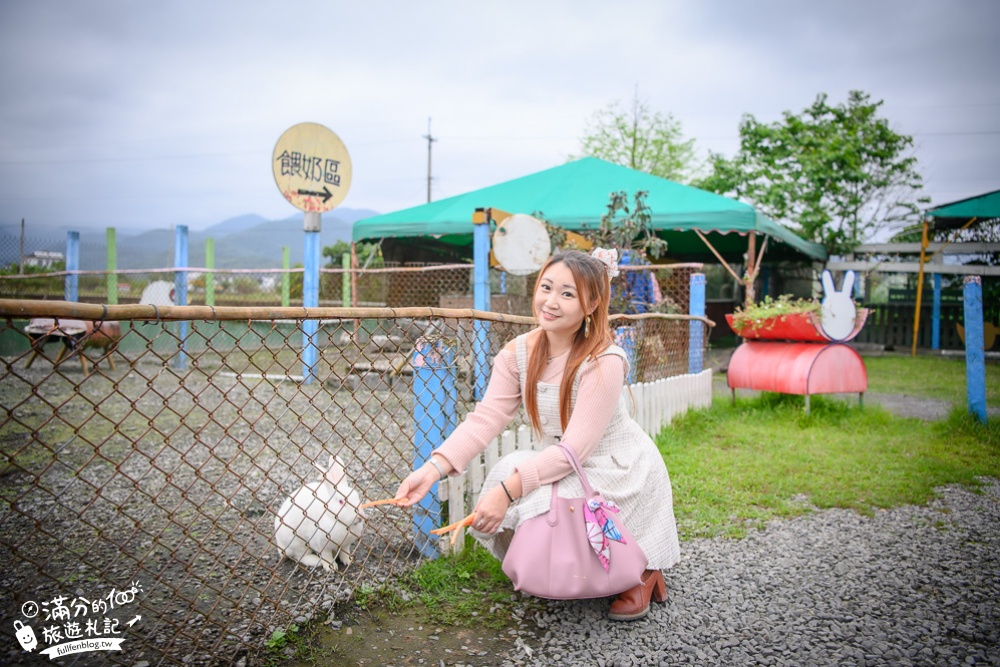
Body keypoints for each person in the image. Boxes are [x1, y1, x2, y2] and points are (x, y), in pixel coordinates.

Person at [394, 248, 680, 621]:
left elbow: (574, 451)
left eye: (568, 294)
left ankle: (639, 572)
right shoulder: (518, 353)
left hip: (615, 467)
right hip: (563, 461)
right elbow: (487, 417)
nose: (551, 301)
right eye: (546, 287)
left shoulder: (603, 360)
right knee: (510, 468)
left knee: (538, 493)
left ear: (592, 303)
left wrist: (507, 492)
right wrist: (431, 471)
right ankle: (574, 568)